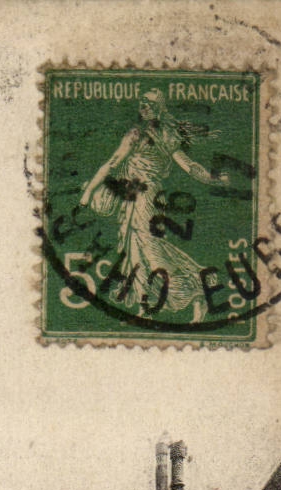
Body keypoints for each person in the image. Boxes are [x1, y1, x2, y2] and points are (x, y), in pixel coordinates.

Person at [78, 88, 231, 322]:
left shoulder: (165, 137)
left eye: (150, 103)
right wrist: (89, 191)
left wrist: (213, 178)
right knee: (135, 249)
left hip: (146, 199)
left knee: (150, 251)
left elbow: (189, 166)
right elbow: (113, 162)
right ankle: (146, 305)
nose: (144, 107)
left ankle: (198, 289)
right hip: (133, 198)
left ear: (159, 108)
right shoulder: (136, 134)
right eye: (142, 102)